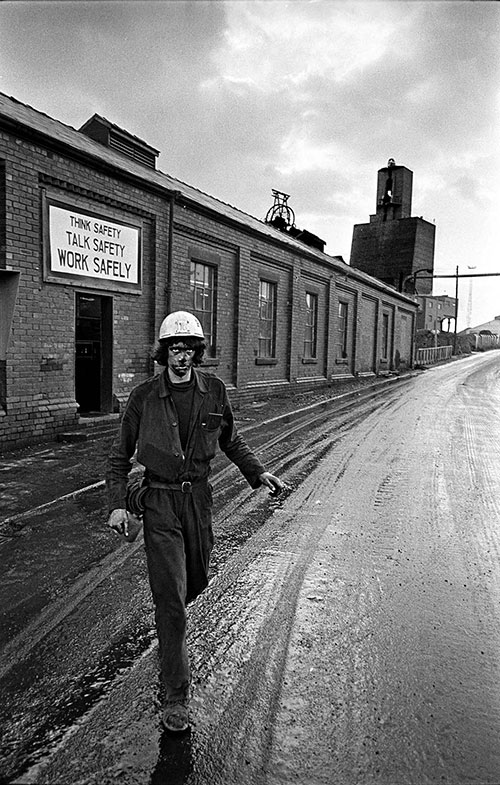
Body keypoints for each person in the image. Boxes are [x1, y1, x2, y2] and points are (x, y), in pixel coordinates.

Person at [106, 311, 283, 732]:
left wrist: (258, 472)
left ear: (197, 353)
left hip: (198, 501)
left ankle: (171, 640)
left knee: (196, 581)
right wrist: (116, 504)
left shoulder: (214, 392)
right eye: (174, 349)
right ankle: (175, 696)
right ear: (163, 352)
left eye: (188, 349)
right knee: (170, 600)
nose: (181, 356)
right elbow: (118, 458)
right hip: (161, 501)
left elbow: (231, 440)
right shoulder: (144, 397)